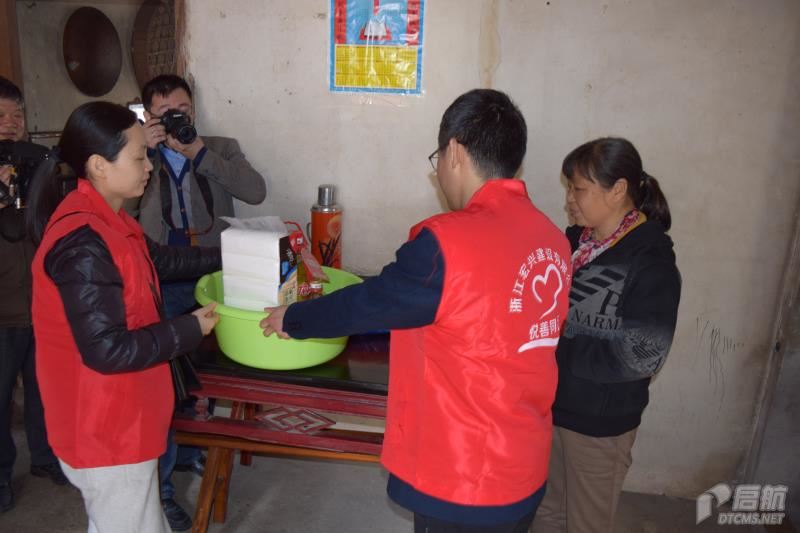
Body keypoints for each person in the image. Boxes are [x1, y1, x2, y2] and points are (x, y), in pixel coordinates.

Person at [261, 89, 572, 533]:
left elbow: (372, 303)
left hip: (464, 476)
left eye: (437, 158)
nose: (439, 171)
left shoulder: (448, 243)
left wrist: (294, 319)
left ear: (455, 152)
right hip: (524, 463)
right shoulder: (552, 239)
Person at [27, 101, 220, 533]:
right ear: (99, 165)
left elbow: (162, 260)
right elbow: (107, 350)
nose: (148, 166)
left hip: (125, 414)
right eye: (138, 157)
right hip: (105, 428)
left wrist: (233, 253)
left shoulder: (107, 219)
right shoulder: (82, 242)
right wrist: (189, 328)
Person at [131, 74, 266, 528]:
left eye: (183, 110)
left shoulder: (221, 147)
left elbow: (255, 191)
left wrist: (200, 153)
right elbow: (119, 213)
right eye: (165, 113)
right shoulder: (137, 155)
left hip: (212, 275)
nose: (176, 119)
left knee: (203, 375)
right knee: (164, 386)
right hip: (162, 278)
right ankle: (163, 491)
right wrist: (146, 150)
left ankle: (190, 451)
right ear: (148, 116)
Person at [530, 137, 681, 533]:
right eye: (568, 187)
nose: (569, 199)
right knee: (546, 513)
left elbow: (644, 354)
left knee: (586, 523)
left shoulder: (650, 261)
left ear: (618, 190)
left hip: (600, 425)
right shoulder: (574, 243)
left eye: (579, 189)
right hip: (554, 408)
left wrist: (558, 349)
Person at [0, 75, 67, 513]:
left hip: (41, 303)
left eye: (17, 114)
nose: (11, 122)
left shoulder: (36, 163)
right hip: (2, 310)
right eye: (1, 115)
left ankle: (47, 458)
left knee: (47, 389)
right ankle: (1, 475)